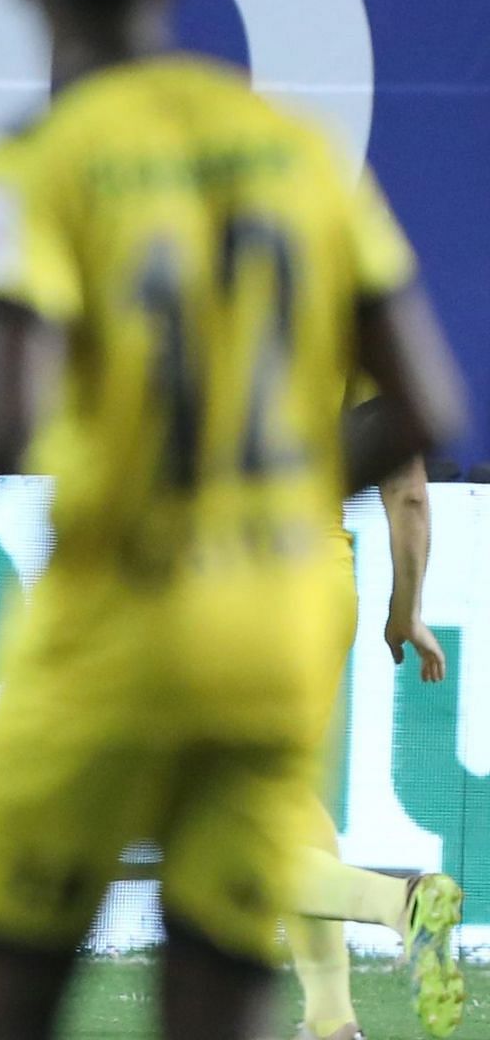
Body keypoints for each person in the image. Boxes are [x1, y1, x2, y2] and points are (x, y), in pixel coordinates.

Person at [0, 0, 466, 1040]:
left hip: (116, 619)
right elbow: (431, 410)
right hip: (272, 625)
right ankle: (340, 997)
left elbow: (0, 418)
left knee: (13, 982)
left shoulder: (20, 166)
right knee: (220, 978)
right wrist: (276, 498)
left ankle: (371, 935)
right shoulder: (306, 157)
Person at [284, 393, 461, 1040]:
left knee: (222, 835)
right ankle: (331, 1021)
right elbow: (410, 495)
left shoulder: (205, 312)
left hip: (231, 588)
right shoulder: (355, 331)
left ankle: (398, 903)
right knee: (288, 802)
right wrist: (405, 611)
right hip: (324, 586)